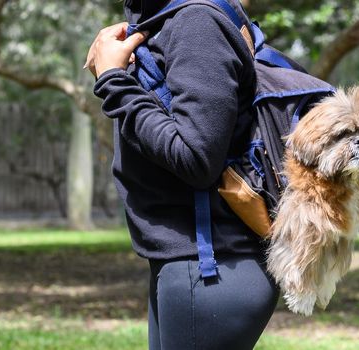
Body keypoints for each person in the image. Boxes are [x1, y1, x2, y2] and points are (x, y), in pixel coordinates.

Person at [85, 1, 279, 349]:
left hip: (211, 266)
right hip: (188, 262)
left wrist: (113, 82)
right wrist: (118, 72)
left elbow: (195, 156)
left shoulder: (196, 22)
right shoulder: (170, 19)